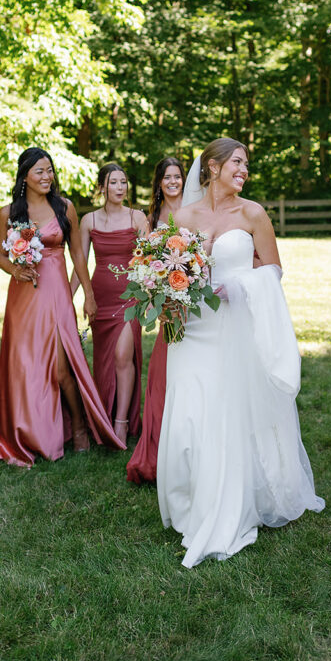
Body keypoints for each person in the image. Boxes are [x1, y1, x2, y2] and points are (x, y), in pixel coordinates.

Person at [156, 138, 324, 568]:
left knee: (225, 411)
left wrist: (239, 286)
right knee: (191, 409)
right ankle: (191, 500)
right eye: (236, 162)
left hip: (234, 324)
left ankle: (227, 501)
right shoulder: (184, 215)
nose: (244, 170)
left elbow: (273, 270)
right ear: (211, 167)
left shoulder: (253, 213)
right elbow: (167, 267)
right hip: (193, 328)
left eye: (246, 164)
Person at [0, 147, 123, 466]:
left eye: (50, 170)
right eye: (40, 171)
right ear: (25, 175)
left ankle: (78, 426)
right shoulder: (9, 212)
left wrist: (88, 295)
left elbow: (79, 254)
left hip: (55, 290)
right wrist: (14, 269)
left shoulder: (64, 207)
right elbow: (0, 255)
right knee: (25, 364)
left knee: (60, 365)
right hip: (23, 295)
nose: (47, 177)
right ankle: (29, 434)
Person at [77, 163, 148, 447]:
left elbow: (148, 260)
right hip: (101, 297)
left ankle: (121, 422)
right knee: (106, 360)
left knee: (122, 356)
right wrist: (73, 294)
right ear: (102, 187)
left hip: (131, 295)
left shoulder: (138, 217)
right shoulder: (89, 221)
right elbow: (80, 263)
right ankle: (104, 415)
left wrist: (145, 295)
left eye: (123, 182)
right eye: (114, 182)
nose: (120, 188)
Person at [127, 157, 186, 484]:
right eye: (167, 177)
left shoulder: (195, 208)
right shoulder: (151, 218)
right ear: (159, 183)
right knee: (163, 375)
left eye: (177, 176)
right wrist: (157, 295)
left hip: (193, 300)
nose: (173, 182)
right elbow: (145, 263)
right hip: (168, 306)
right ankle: (159, 449)